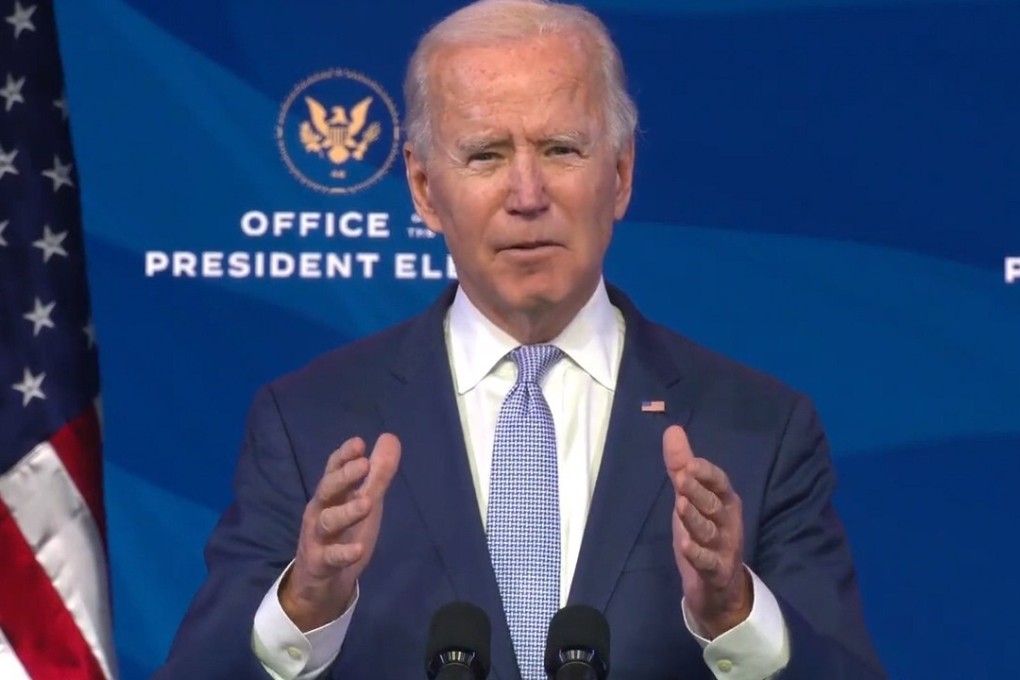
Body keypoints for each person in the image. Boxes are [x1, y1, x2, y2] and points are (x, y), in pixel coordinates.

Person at [154, 0, 886, 678]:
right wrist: (305, 605)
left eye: (562, 149)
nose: (528, 195)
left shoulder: (757, 430)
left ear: (622, 174)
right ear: (421, 187)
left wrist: (735, 615)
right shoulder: (309, 423)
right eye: (485, 156)